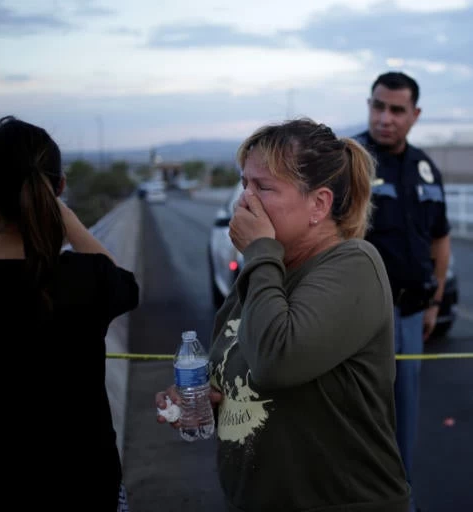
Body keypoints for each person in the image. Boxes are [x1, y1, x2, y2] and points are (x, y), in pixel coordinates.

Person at [155, 118, 410, 511]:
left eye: (264, 187)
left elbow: (277, 360)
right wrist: (206, 399)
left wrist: (258, 250)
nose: (245, 201)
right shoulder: (268, 273)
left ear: (319, 204)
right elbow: (248, 370)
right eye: (244, 184)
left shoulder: (353, 265)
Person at [0, 116, 139, 511]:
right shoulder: (86, 278)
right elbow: (124, 284)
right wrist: (66, 217)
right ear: (59, 188)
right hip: (84, 489)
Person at [353, 71, 451, 510]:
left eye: (396, 110)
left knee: (404, 418)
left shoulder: (426, 168)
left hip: (410, 314)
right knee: (358, 419)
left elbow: (440, 238)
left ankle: (400, 500)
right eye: (378, 106)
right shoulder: (347, 161)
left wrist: (434, 301)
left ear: (415, 115)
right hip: (358, 318)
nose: (385, 118)